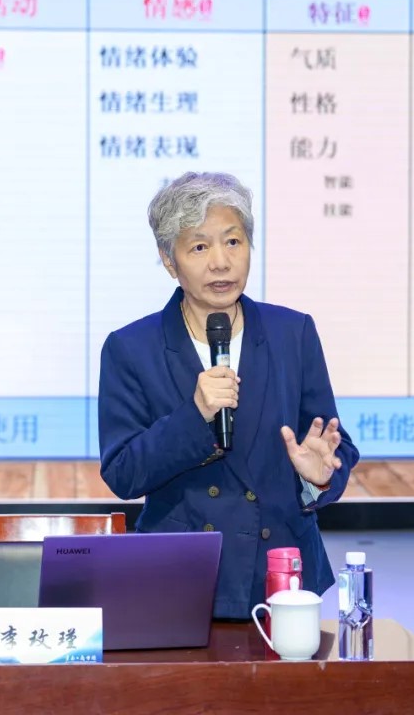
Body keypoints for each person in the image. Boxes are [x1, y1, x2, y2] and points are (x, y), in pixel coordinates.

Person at [97, 171, 360, 620]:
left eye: (233, 242)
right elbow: (123, 474)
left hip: (280, 574)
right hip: (180, 577)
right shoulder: (131, 348)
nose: (221, 263)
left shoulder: (292, 332)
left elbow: (334, 445)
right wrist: (194, 416)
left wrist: (316, 478)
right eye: (200, 247)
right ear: (168, 260)